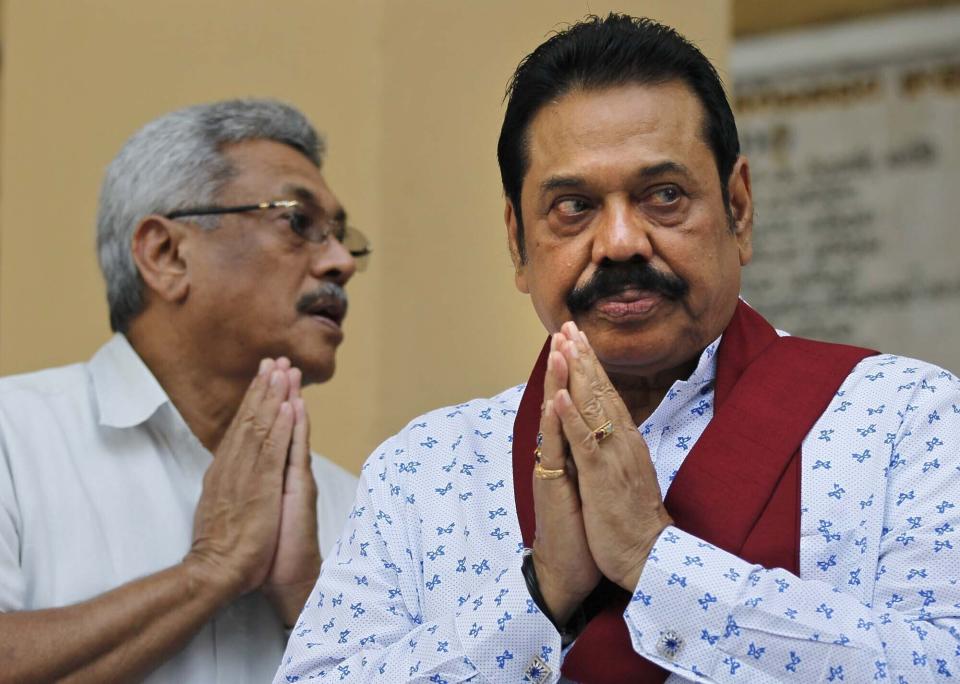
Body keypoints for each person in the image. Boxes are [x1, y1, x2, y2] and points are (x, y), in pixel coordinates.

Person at [276, 15, 960, 683]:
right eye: (573, 207)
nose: (621, 242)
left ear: (739, 209)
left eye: (663, 196)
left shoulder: (905, 417)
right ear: (518, 243)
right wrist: (541, 591)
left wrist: (653, 557)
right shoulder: (423, 471)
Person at [0, 99, 370, 683]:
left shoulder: (360, 504)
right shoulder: (14, 438)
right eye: (298, 222)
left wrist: (305, 598)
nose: (340, 262)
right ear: (166, 254)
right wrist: (209, 572)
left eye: (342, 237)